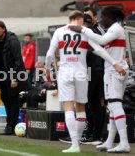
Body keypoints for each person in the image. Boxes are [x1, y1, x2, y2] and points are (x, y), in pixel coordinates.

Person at [46, 10, 125, 153]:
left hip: (65, 72)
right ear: (79, 19)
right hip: (82, 73)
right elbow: (99, 50)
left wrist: (47, 70)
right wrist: (114, 63)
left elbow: (49, 54)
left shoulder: (59, 32)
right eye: (83, 20)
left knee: (68, 106)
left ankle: (75, 144)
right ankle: (79, 140)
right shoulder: (85, 32)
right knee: (81, 107)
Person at [69, 6, 131, 153]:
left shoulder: (115, 28)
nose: (101, 20)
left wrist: (83, 30)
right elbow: (100, 47)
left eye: (103, 17)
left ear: (111, 17)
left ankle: (124, 142)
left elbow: (102, 40)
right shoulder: (114, 29)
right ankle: (110, 141)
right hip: (114, 69)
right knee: (113, 106)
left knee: (115, 105)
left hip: (114, 71)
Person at [0, 21, 28, 135]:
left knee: (13, 99)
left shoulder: (12, 40)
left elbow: (18, 60)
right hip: (1, 74)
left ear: (4, 29)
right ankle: (9, 124)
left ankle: (11, 126)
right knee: (5, 98)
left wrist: (15, 78)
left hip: (12, 74)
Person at [80, 8, 105, 145]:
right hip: (94, 70)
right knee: (93, 103)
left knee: (89, 103)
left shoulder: (92, 33)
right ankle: (93, 134)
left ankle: (91, 134)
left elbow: (93, 52)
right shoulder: (93, 32)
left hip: (92, 71)